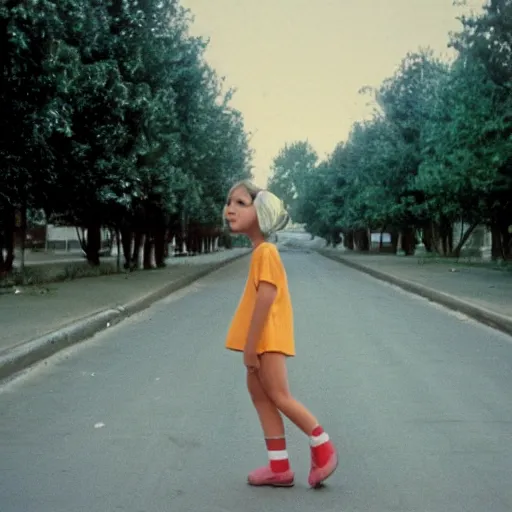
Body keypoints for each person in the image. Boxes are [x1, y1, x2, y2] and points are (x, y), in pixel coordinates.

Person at [223, 179, 338, 488]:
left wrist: (250, 348)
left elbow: (267, 297)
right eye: (229, 202)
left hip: (266, 340)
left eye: (240, 203)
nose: (229, 209)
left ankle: (324, 447)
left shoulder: (267, 253)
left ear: (260, 212)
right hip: (262, 340)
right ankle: (279, 467)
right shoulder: (260, 251)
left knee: (279, 396)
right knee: (261, 397)